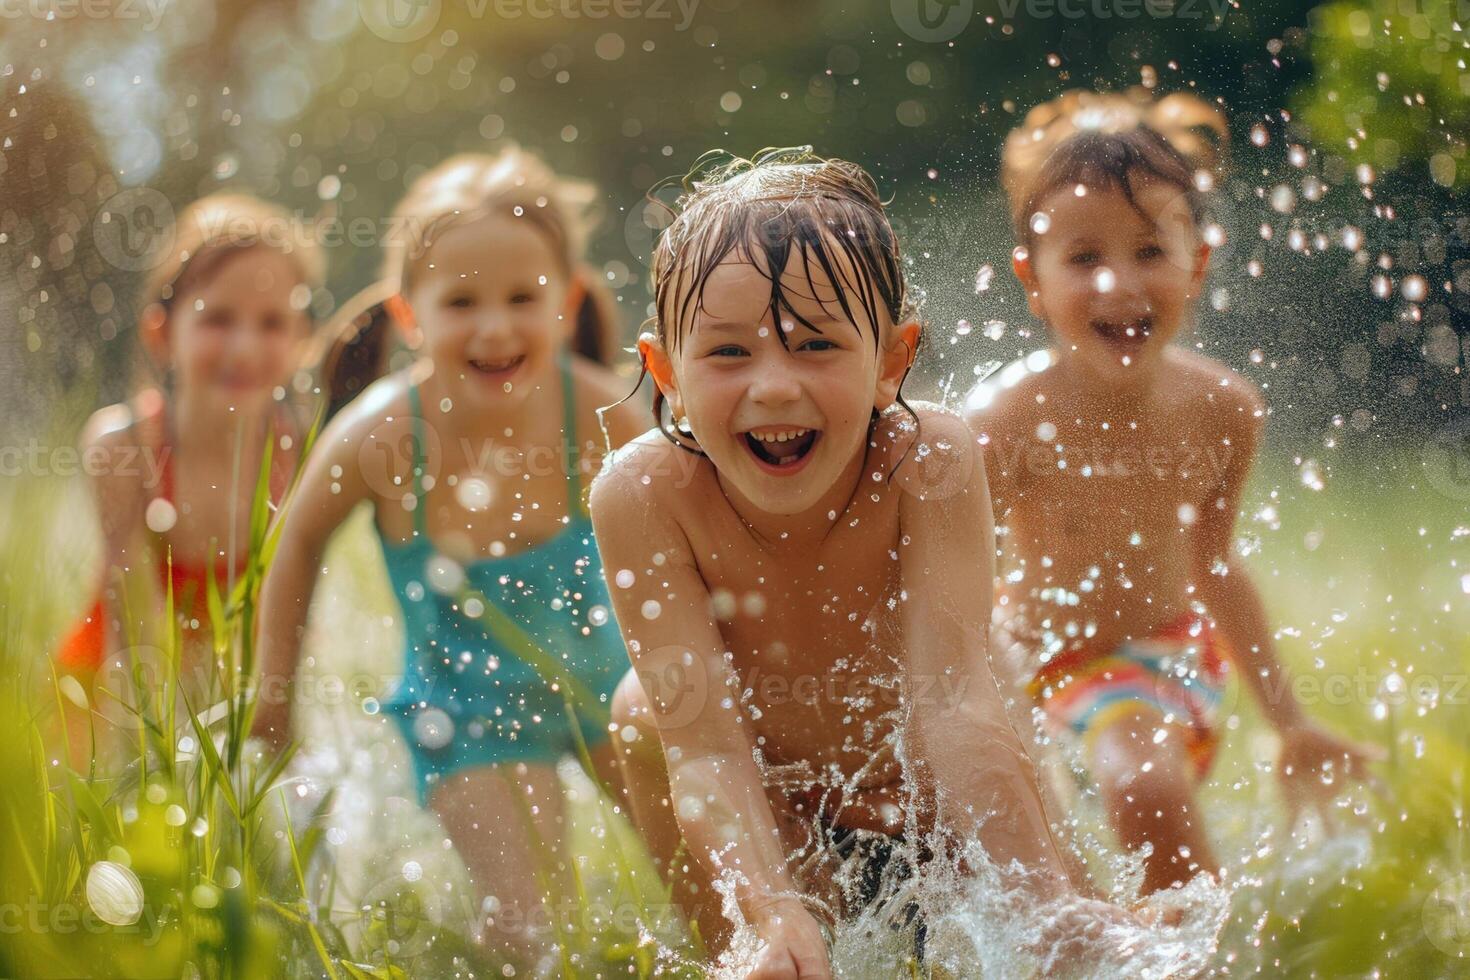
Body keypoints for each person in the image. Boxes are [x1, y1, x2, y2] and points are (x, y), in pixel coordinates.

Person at [596, 147, 1117, 977]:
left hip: (937, 762)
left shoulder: (930, 460)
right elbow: (706, 746)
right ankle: (749, 953)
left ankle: (1068, 911)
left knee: (1051, 916)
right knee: (641, 715)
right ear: (667, 372)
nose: (772, 386)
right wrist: (768, 914)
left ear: (891, 362)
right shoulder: (643, 493)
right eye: (728, 353)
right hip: (770, 787)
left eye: (815, 346)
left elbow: (953, 701)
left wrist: (1046, 903)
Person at [967, 89, 1381, 896]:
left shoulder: (1222, 409)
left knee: (1145, 783)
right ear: (1033, 279)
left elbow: (1215, 566)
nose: (1118, 284)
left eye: (1150, 250)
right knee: (1033, 865)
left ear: (1199, 262)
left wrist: (1291, 721)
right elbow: (954, 584)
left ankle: (1184, 953)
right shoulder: (1003, 421)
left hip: (1165, 655)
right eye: (1083, 258)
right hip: (1029, 663)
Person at [249, 147, 645, 969]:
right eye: (461, 301)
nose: (494, 327)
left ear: (566, 301)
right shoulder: (382, 433)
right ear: (408, 314)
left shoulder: (601, 407)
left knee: (715, 878)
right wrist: (275, 694)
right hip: (467, 715)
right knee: (530, 932)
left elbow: (695, 523)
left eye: (521, 299)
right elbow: (295, 547)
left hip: (609, 688)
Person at [58, 193, 319, 757]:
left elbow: (295, 619)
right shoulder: (124, 447)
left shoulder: (297, 449)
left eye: (272, 323)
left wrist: (280, 732)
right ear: (162, 333)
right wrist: (149, 764)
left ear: (301, 342)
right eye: (218, 319)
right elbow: (130, 635)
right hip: (107, 683)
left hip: (240, 674)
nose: (245, 347)